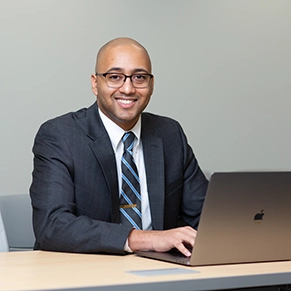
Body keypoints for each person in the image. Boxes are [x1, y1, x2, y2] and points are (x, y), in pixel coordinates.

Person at [30, 37, 208, 257]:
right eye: (115, 77)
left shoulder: (170, 134)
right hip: (85, 271)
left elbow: (207, 217)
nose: (128, 88)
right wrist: (142, 238)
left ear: (151, 84)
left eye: (139, 77)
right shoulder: (60, 136)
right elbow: (51, 225)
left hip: (160, 270)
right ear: (95, 83)